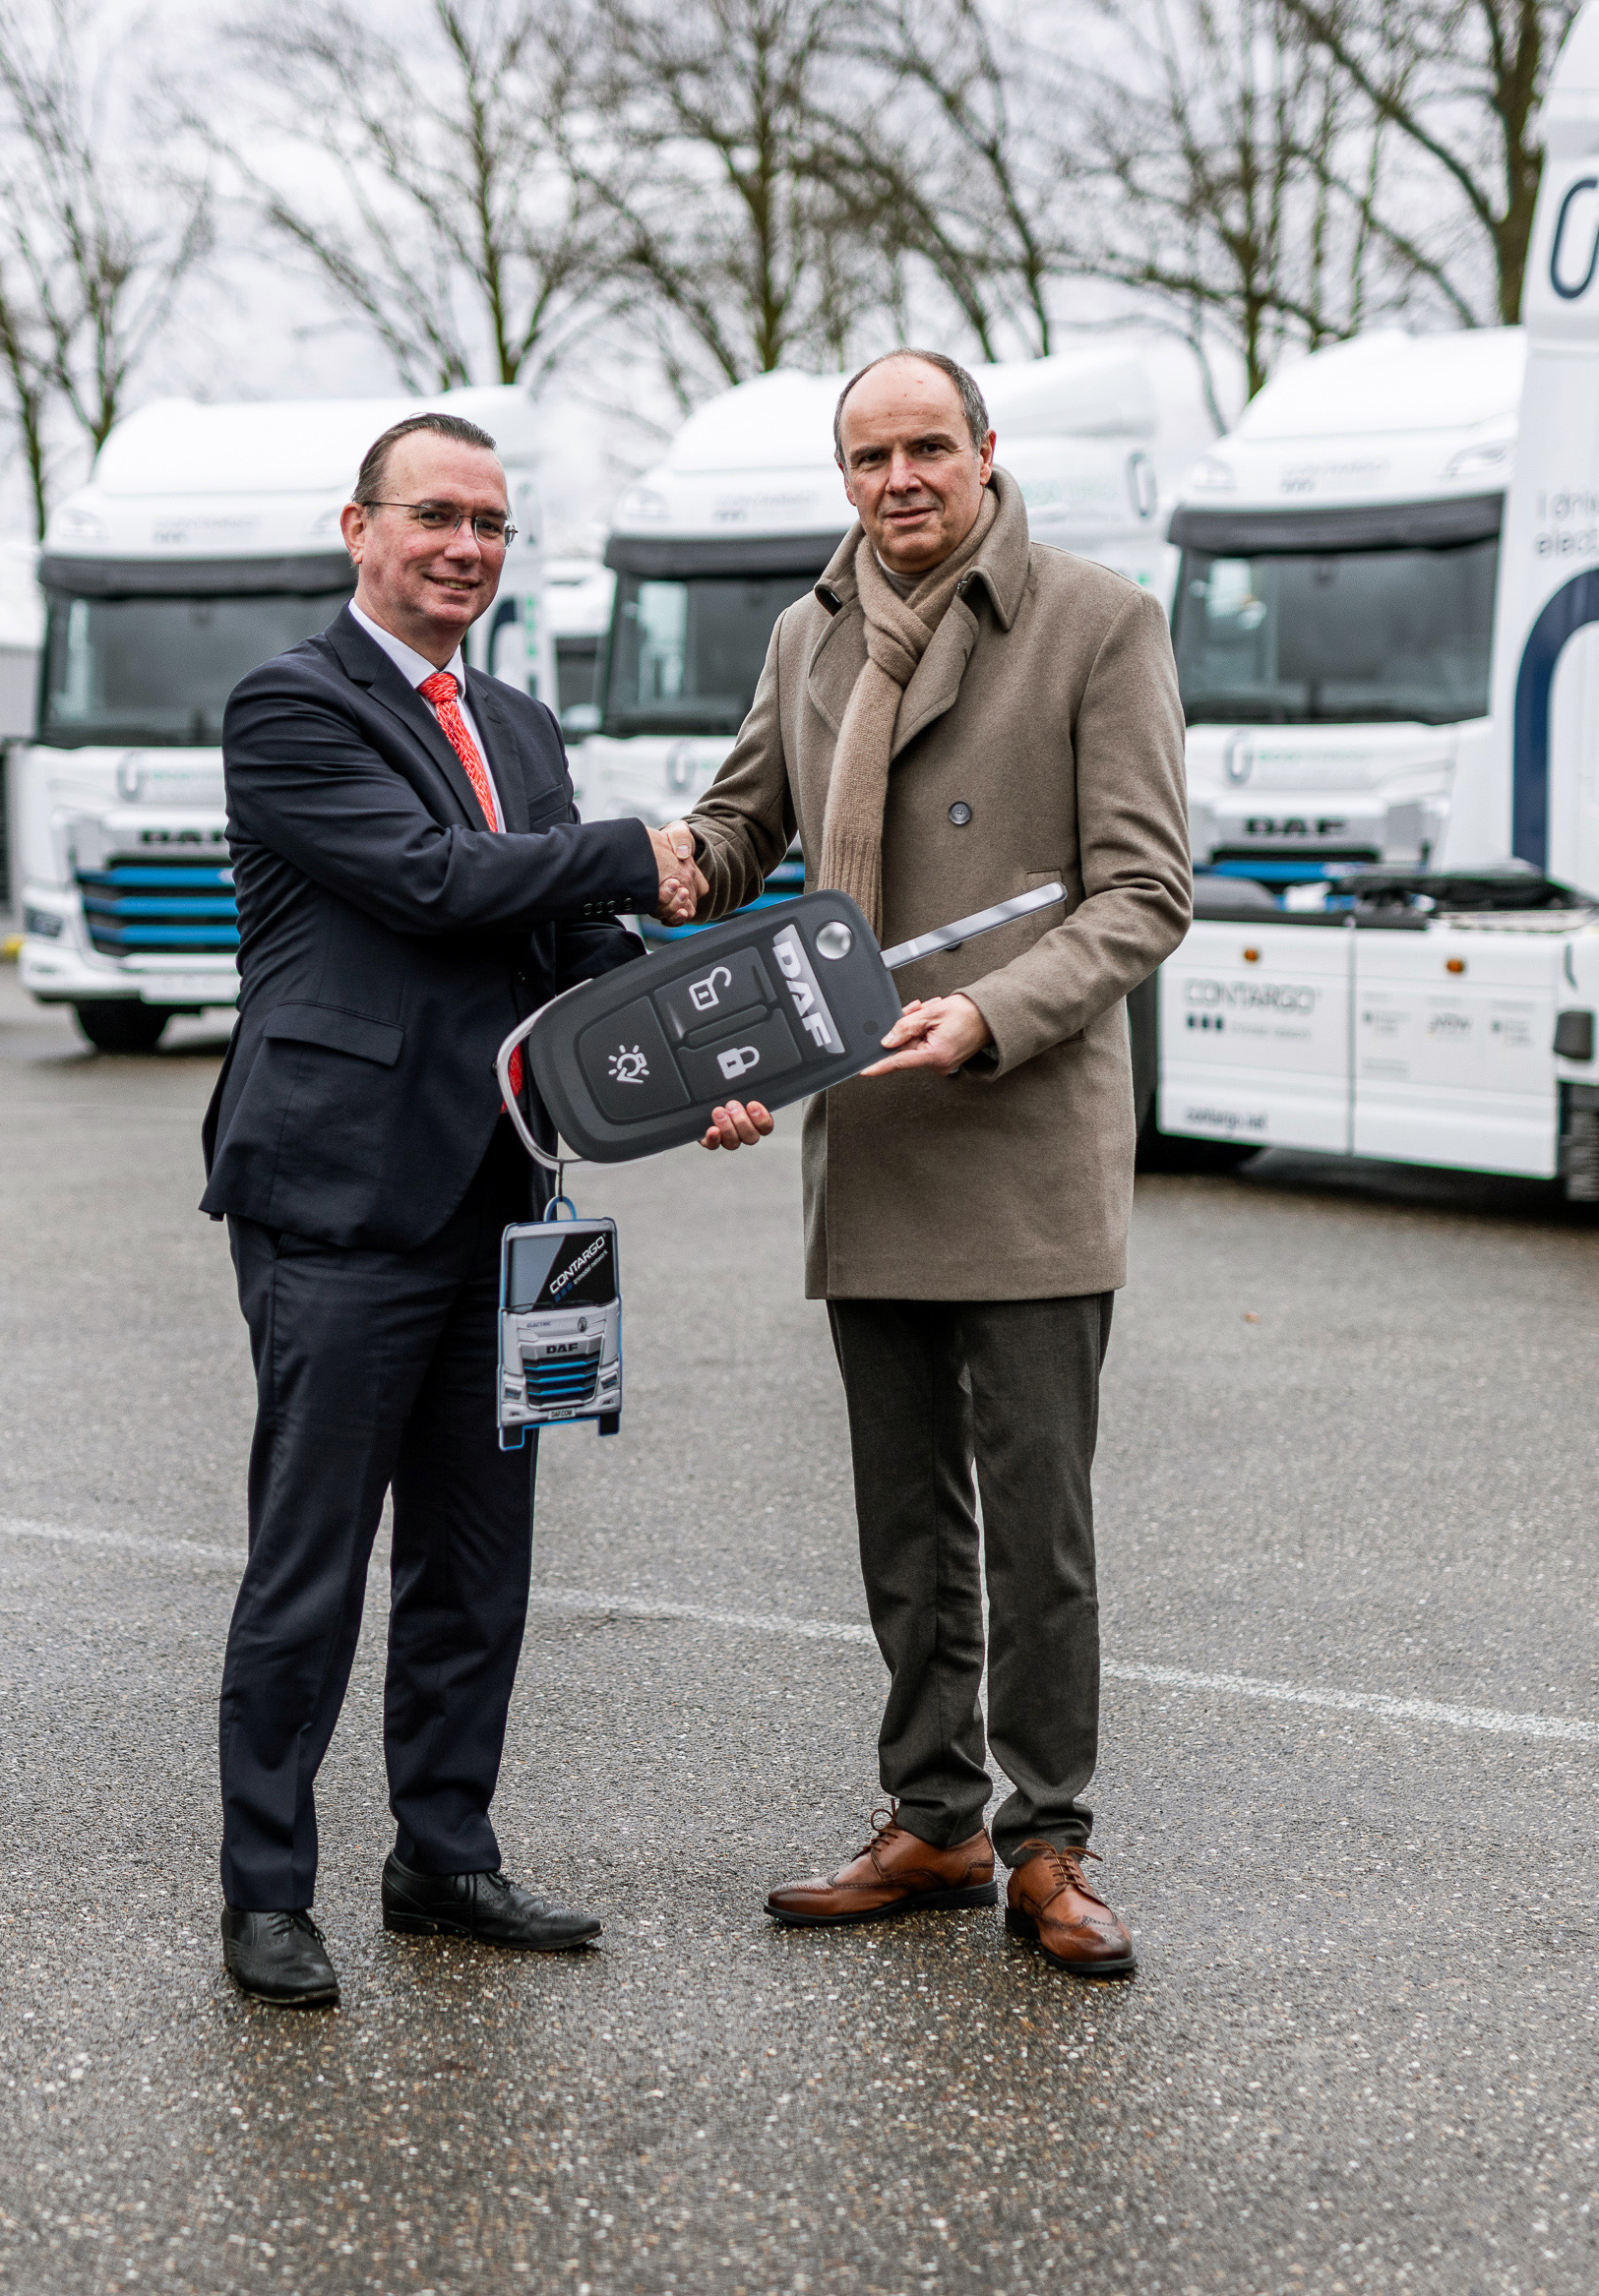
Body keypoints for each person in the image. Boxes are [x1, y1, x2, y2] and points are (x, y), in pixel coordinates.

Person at [658, 349, 1190, 1980]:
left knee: (1038, 1530)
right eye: (869, 456)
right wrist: (659, 870)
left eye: (927, 448)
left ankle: (1052, 1841)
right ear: (845, 477)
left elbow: (1146, 891)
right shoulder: (809, 634)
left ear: (985, 451)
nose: (900, 478)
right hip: (869, 1125)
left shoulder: (1098, 621)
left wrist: (990, 1014)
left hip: (1023, 1128)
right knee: (904, 1524)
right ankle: (936, 1813)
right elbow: (743, 828)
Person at [200, 410, 707, 2009]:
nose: (466, 547)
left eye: (491, 523)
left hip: (502, 1195)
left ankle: (442, 1850)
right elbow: (430, 880)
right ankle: (267, 1890)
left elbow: (571, 947)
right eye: (435, 515)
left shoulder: (522, 723)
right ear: (359, 527)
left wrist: (700, 1063)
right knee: (313, 1562)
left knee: (478, 1561)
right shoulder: (292, 705)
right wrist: (628, 850)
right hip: (341, 1197)